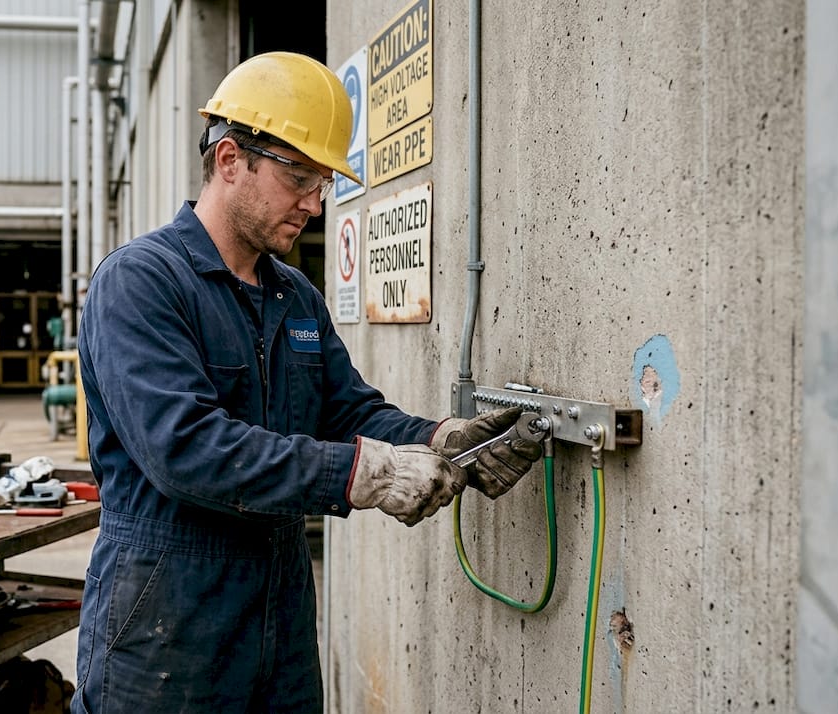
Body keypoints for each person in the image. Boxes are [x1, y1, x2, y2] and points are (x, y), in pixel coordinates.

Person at [71, 51, 543, 714]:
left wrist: (444, 437)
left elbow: (346, 411)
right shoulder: (142, 283)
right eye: (300, 177)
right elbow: (185, 450)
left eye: (323, 182)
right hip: (165, 626)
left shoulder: (293, 296)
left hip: (279, 619)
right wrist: (366, 476)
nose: (315, 203)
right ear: (231, 160)